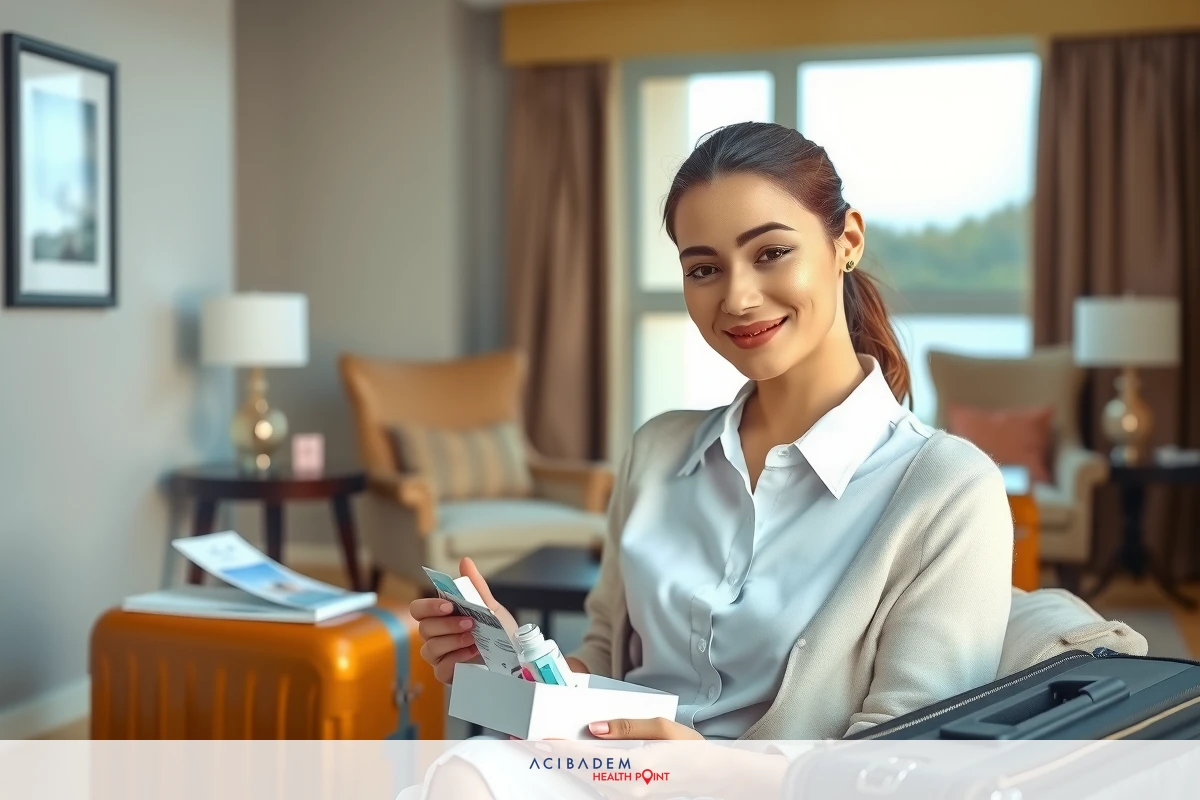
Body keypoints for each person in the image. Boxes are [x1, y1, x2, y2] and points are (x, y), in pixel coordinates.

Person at [407, 121, 1013, 795]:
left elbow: (911, 774)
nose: (738, 297)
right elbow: (604, 659)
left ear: (847, 242)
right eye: (704, 269)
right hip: (605, 777)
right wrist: (515, 675)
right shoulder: (657, 451)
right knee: (463, 775)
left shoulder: (949, 491)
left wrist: (707, 770)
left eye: (771, 253)